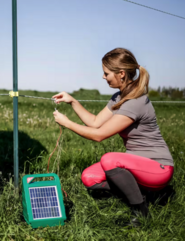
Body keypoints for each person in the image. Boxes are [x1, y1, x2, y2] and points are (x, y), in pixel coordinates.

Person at [52, 48, 174, 226]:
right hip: (137, 163)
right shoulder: (119, 97)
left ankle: (140, 212)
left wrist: (67, 123)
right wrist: (73, 102)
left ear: (121, 74)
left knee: (109, 160)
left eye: (106, 73)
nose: (103, 77)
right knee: (89, 177)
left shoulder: (135, 101)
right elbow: (95, 122)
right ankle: (143, 195)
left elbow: (99, 135)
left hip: (158, 167)